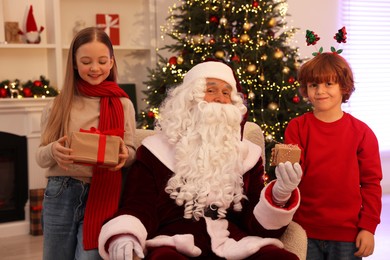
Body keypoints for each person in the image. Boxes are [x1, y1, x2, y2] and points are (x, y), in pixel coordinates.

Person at [98, 61, 303, 259]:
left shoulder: (249, 155)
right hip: (175, 242)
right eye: (211, 90)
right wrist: (124, 234)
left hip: (233, 243)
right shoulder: (155, 150)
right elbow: (139, 206)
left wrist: (279, 195)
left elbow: (256, 225)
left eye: (226, 93)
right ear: (189, 98)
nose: (221, 99)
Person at [35, 27, 137, 260]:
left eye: (102, 61)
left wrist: (124, 154)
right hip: (61, 190)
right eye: (86, 61)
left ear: (111, 62)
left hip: (103, 194)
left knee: (90, 256)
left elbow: (131, 151)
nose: (94, 68)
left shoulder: (123, 104)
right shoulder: (59, 104)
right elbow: (40, 156)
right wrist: (54, 150)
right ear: (74, 63)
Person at [284, 52, 382, 259]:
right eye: (313, 85)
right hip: (304, 230)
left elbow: (371, 184)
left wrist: (368, 227)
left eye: (329, 84)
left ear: (344, 87)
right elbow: (291, 175)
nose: (320, 91)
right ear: (306, 89)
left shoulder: (362, 133)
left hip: (347, 233)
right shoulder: (297, 128)